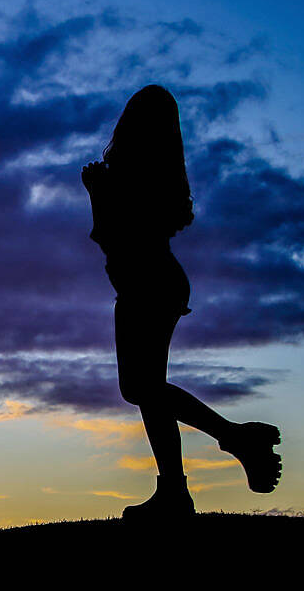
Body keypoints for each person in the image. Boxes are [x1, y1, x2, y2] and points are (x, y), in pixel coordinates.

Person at [82, 85, 281, 521]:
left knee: (141, 388)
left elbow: (112, 237)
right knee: (147, 390)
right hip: (154, 282)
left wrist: (97, 191)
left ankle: (232, 440)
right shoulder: (161, 171)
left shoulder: (132, 172)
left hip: (146, 284)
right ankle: (175, 490)